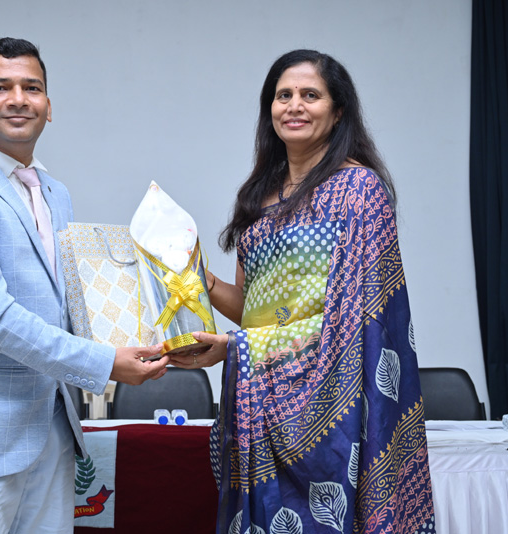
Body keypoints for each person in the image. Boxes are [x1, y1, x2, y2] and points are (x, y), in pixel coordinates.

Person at [0, 37, 169, 534]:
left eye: (32, 88)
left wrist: (154, 335)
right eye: (0, 87)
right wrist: (106, 362)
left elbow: (67, 306)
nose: (18, 99)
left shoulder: (55, 193)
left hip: (49, 434)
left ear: (49, 107)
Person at [171, 50, 436, 533]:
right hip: (258, 405)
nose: (294, 105)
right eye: (283, 95)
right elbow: (253, 311)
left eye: (310, 95)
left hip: (330, 415)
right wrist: (198, 279)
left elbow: (352, 322)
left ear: (337, 111)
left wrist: (234, 347)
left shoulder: (359, 191)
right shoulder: (258, 197)